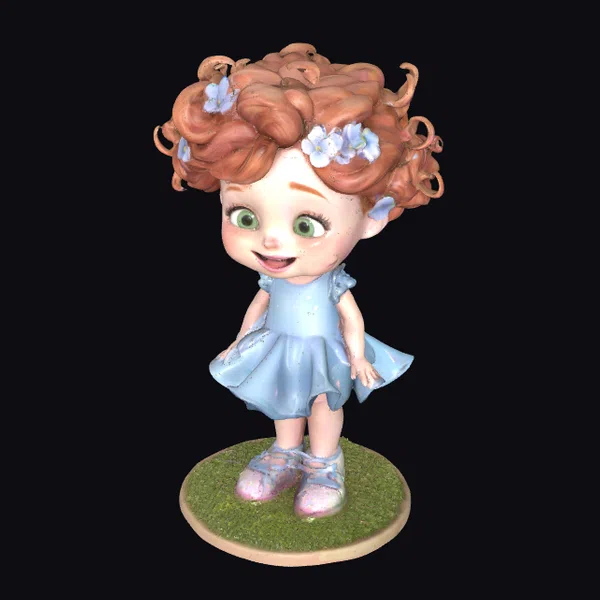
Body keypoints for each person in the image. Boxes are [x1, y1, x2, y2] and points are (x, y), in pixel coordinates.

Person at [154, 42, 444, 519]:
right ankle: (284, 453)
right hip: (280, 345)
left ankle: (325, 462)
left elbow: (351, 318)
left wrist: (357, 357)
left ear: (373, 217)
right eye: (244, 216)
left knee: (324, 405)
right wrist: (241, 339)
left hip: (323, 351)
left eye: (307, 223)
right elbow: (259, 304)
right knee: (284, 402)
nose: (272, 241)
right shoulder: (273, 280)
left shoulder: (329, 282)